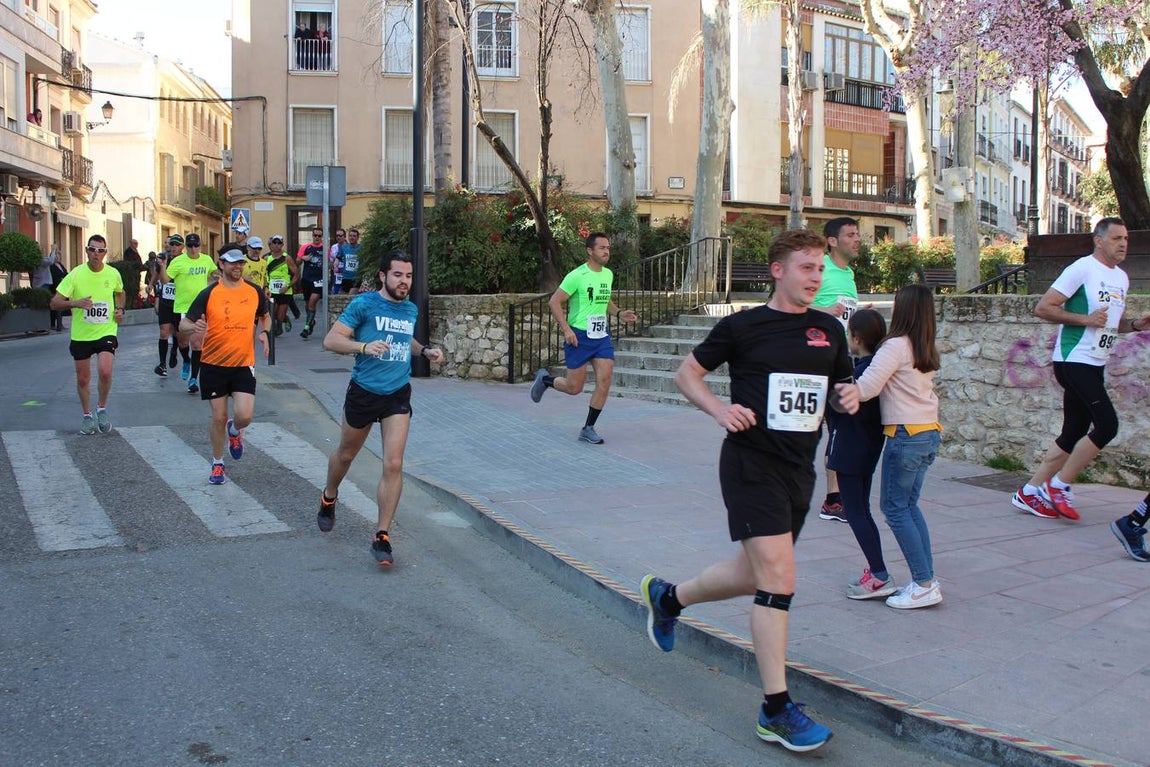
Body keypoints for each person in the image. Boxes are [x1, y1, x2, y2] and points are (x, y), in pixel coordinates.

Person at [639, 229, 854, 753]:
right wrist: (719, 409)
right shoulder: (742, 325)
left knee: (752, 570)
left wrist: (849, 398)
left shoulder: (830, 330)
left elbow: (840, 392)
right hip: (749, 463)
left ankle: (668, 598)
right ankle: (775, 710)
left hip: (798, 470)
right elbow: (686, 375)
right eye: (807, 268)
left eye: (821, 269)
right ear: (778, 270)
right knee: (778, 577)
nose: (816, 278)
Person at [1011, 218, 1150, 521]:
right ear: (1098, 241)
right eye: (1116, 238)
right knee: (1107, 425)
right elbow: (1044, 308)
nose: (1123, 243)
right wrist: (1086, 320)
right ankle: (1059, 486)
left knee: (1073, 431)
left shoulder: (1121, 278)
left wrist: (1137, 325)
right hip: (1073, 360)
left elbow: (1111, 324)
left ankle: (1030, 492)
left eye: (1125, 238)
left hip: (1095, 362)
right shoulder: (1081, 269)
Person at [317, 250, 444, 566]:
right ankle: (329, 495)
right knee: (346, 454)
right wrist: (362, 346)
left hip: (397, 394)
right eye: (398, 275)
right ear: (383, 276)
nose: (404, 282)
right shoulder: (364, 304)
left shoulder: (410, 308)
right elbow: (331, 340)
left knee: (394, 464)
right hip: (363, 392)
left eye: (409, 275)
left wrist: (424, 350)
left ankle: (382, 535)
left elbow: (404, 340)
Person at [835, 283, 944, 610]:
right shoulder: (923, 345)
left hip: (906, 435)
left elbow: (865, 389)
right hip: (928, 432)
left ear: (903, 309)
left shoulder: (895, 345)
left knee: (895, 510)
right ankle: (927, 579)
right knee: (909, 507)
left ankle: (923, 584)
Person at [529, 232, 638, 444]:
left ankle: (588, 428)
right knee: (574, 388)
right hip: (578, 336)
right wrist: (566, 329)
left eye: (608, 248)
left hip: (601, 336)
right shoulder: (576, 276)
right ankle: (545, 380)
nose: (606, 251)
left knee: (604, 381)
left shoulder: (607, 275)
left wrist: (618, 313)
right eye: (602, 248)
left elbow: (604, 300)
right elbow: (554, 302)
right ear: (590, 251)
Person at [180, 249, 271, 485]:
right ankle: (218, 463)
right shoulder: (209, 293)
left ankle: (235, 430)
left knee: (245, 416)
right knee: (218, 417)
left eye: (240, 262)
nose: (237, 267)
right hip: (213, 365)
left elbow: (265, 315)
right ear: (221, 264)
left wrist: (264, 332)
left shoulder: (254, 291)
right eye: (232, 263)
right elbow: (183, 324)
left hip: (243, 364)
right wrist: (194, 328)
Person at [826, 309, 895, 600]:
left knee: (855, 512)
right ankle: (876, 570)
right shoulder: (874, 370)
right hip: (867, 449)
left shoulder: (861, 375)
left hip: (850, 450)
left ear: (855, 337)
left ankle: (879, 574)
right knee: (861, 510)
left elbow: (835, 407)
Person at [811, 217, 863, 523]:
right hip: (817, 362)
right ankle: (832, 498)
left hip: (842, 360)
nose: (857, 239)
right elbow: (791, 304)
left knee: (839, 429)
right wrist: (825, 311)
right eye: (851, 235)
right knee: (831, 429)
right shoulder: (820, 269)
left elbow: (844, 317)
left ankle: (835, 497)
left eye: (858, 234)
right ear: (832, 241)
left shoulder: (849, 274)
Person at [49, 234, 125, 435]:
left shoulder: (113, 274)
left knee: (106, 371)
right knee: (83, 378)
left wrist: (120, 309)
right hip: (82, 334)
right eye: (92, 249)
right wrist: (75, 303)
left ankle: (101, 408)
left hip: (106, 330)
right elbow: (54, 303)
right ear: (86, 251)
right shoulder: (75, 275)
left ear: (105, 253)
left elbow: (120, 292)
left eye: (100, 250)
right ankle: (87, 415)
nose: (96, 254)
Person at [159, 232, 217, 393]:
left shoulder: (207, 259)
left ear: (200, 246)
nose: (193, 249)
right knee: (183, 343)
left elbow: (214, 273)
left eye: (196, 245)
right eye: (190, 246)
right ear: (186, 247)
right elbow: (165, 280)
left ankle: (194, 379)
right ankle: (186, 359)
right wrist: (162, 267)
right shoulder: (178, 262)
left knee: (197, 344)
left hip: (200, 308)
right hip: (182, 308)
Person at [150, 239, 182, 375]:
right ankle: (162, 364)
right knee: (164, 331)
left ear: (181, 247)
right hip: (165, 300)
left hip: (179, 301)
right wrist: (151, 285)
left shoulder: (185, 261)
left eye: (175, 244)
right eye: (169, 243)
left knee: (176, 332)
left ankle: (174, 349)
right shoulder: (163, 259)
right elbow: (156, 275)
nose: (171, 246)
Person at [265, 235, 299, 335]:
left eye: (279, 243)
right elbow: (264, 274)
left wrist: (288, 286)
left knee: (279, 315)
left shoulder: (287, 258)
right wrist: (266, 286)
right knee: (273, 313)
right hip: (272, 291)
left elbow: (296, 275)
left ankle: (278, 329)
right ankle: (286, 319)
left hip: (285, 291)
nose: (276, 245)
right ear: (271, 244)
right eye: (274, 243)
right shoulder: (267, 258)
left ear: (282, 244)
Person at [297, 227, 326, 338]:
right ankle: (311, 321)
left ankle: (306, 327)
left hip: (319, 280)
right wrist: (303, 258)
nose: (317, 238)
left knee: (312, 302)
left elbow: (330, 262)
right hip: (307, 279)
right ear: (312, 236)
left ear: (322, 237)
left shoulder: (325, 248)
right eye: (315, 235)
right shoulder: (305, 247)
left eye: (319, 236)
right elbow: (297, 261)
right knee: (308, 304)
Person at [339, 228, 362, 294]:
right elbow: (338, 257)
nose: (352, 237)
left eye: (354, 236)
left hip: (356, 278)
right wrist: (336, 262)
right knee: (343, 299)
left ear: (357, 238)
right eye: (350, 236)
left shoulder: (361, 248)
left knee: (350, 296)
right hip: (345, 277)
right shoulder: (344, 247)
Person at [329, 229, 346, 293]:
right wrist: (333, 266)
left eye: (340, 236)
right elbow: (331, 261)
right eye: (337, 236)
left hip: (346, 274)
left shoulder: (348, 246)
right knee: (335, 292)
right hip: (337, 274)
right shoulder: (333, 247)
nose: (338, 237)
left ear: (344, 236)